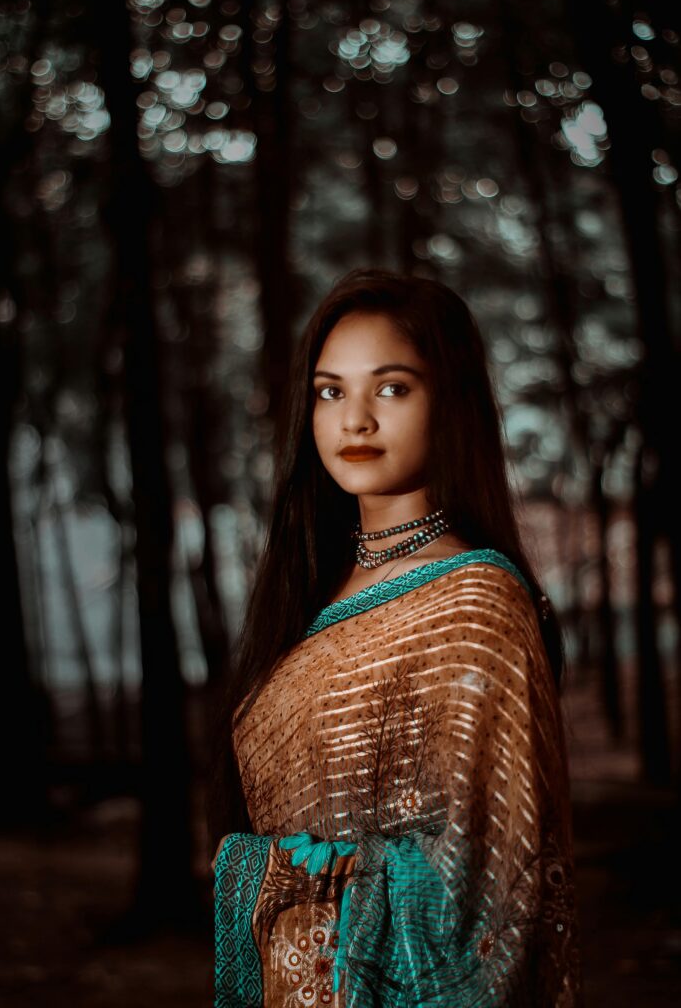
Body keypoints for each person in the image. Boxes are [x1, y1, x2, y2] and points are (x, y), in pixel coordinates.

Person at [208, 268, 582, 1006]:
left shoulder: (475, 602)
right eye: (329, 391)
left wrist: (279, 878)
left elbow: (490, 889)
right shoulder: (307, 594)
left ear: (449, 402)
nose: (354, 421)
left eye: (391, 388)